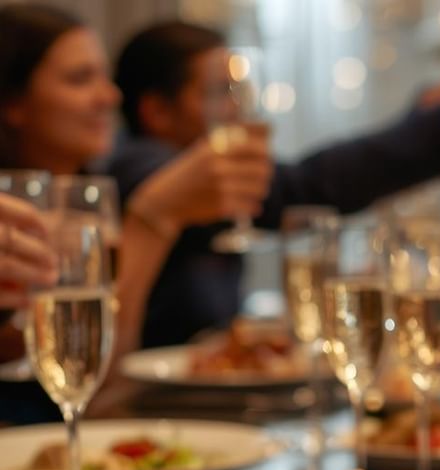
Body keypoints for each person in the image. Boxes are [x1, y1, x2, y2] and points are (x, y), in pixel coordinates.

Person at [110, 21, 440, 348]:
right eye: (220, 92)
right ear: (157, 112)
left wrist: (424, 117)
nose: (236, 107)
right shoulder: (139, 170)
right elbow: (298, 190)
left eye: (239, 90)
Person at [0, 4, 271, 424]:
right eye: (79, 78)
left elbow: (103, 382)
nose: (110, 96)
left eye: (104, 77)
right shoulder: (133, 174)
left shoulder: (91, 203)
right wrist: (151, 218)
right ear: (12, 103)